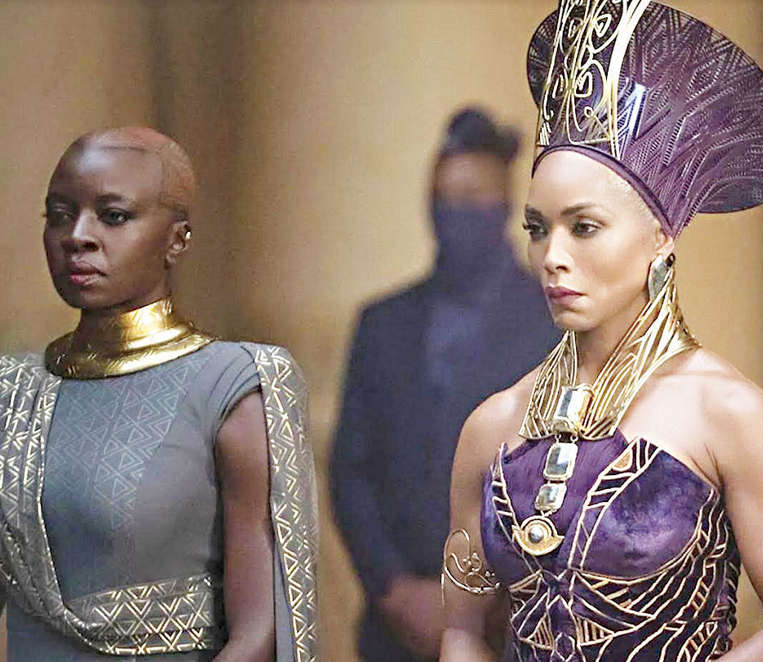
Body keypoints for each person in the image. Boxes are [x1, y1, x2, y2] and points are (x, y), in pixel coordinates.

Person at [440, 3, 763, 661]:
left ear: (660, 237)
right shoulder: (492, 426)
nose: (553, 256)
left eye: (584, 227)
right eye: (537, 229)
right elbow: (461, 630)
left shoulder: (730, 413)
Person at [0, 127, 317, 660]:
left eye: (113, 216)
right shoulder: (13, 394)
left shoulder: (231, 385)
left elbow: (259, 633)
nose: (77, 235)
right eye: (58, 214)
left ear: (177, 240)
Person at [331, 108, 558, 661]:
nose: (455, 214)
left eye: (472, 198)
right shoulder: (383, 323)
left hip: (519, 627)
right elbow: (350, 470)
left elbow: (570, 472)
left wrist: (492, 602)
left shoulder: (552, 320)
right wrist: (393, 590)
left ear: (504, 206)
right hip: (396, 630)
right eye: (443, 198)